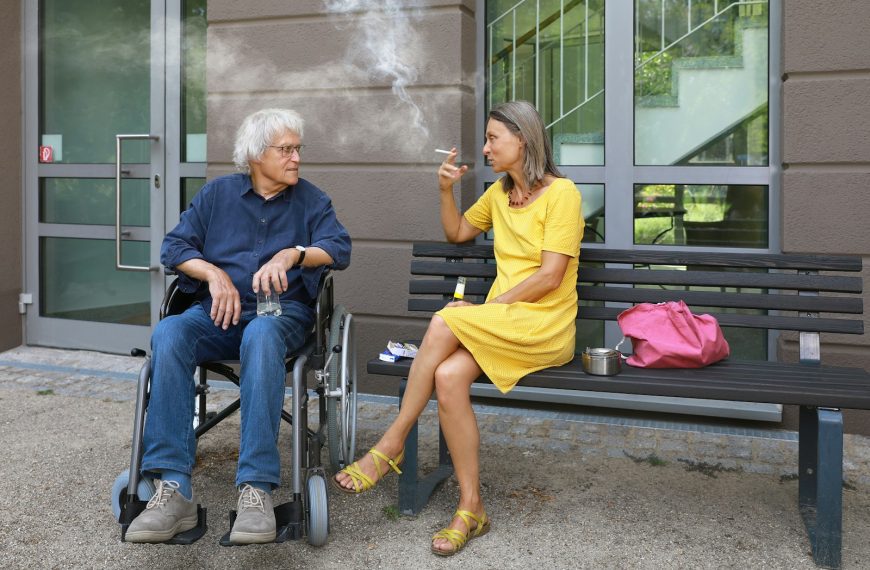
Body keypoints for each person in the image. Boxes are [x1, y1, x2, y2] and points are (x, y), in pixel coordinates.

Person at [333, 100, 583, 556]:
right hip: (504, 322)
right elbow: (458, 233)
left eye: (493, 139)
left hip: (544, 326)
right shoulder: (502, 194)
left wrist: (489, 310)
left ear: (522, 140)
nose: (485, 148)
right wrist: (445, 191)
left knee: (446, 316)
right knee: (448, 377)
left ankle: (392, 442)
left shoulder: (562, 195)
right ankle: (472, 508)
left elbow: (550, 276)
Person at [125, 108, 351, 545]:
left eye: (297, 149)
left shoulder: (312, 200)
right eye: (285, 150)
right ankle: (173, 490)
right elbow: (174, 248)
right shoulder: (217, 196)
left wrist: (293, 255)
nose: (296, 158)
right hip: (218, 314)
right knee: (169, 332)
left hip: (281, 316)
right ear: (255, 156)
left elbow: (338, 249)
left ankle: (257, 489)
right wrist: (213, 274)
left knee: (261, 334)